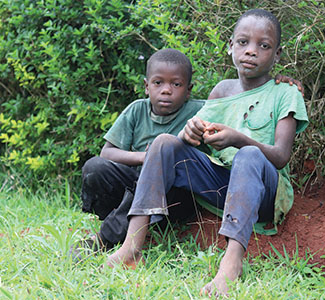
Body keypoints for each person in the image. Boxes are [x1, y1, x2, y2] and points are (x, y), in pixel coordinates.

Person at [105, 8, 309, 296]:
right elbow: (192, 140)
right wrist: (189, 133)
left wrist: (239, 139)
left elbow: (280, 157)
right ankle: (132, 246)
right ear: (230, 46)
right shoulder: (222, 91)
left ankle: (231, 264)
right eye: (242, 42)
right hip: (221, 187)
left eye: (263, 46)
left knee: (249, 155)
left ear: (277, 55)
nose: (251, 51)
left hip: (265, 193)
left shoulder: (285, 93)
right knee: (165, 142)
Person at [77, 48, 204, 252]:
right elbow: (107, 153)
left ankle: (105, 238)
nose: (166, 90)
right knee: (95, 168)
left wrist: (273, 82)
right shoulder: (137, 110)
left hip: (173, 193)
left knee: (163, 185)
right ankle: (120, 220)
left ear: (188, 90)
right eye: (158, 82)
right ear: (146, 86)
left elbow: (232, 101)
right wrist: (147, 157)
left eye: (176, 84)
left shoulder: (199, 111)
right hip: (135, 183)